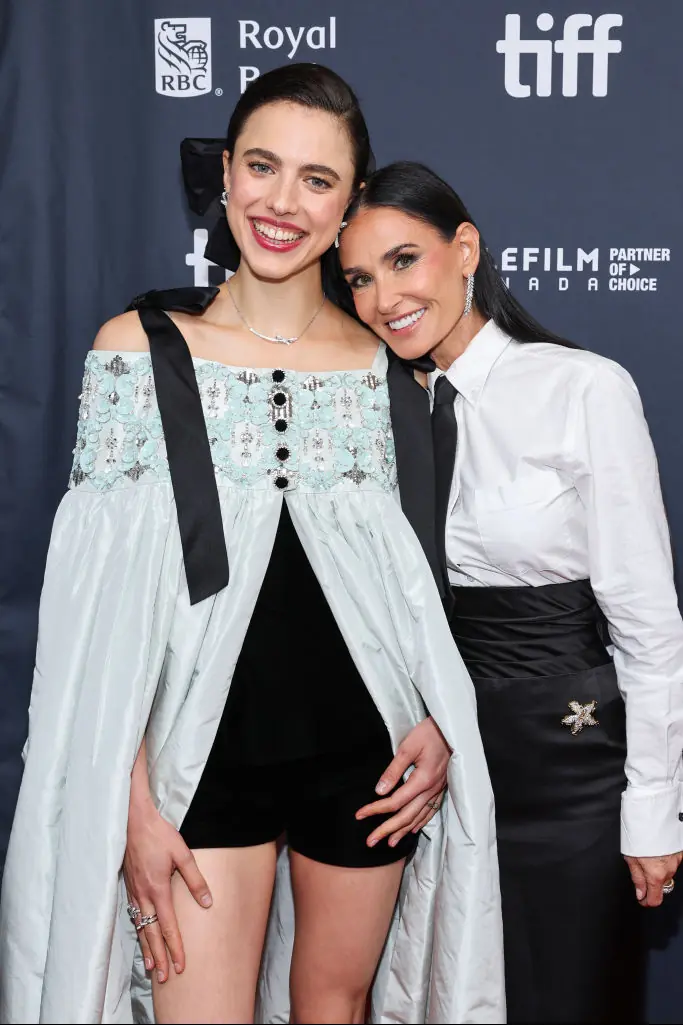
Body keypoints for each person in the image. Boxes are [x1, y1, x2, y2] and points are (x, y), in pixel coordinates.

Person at [0, 72, 504, 1024]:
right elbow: (92, 616)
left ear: (349, 203)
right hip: (200, 760)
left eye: (317, 180)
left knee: (335, 1008)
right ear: (223, 175)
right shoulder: (139, 347)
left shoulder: (383, 366)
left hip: (367, 759)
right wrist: (130, 800)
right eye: (263, 166)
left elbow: (419, 582)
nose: (282, 202)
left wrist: (437, 720)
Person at [338, 160, 683, 1025]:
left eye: (404, 260)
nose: (383, 297)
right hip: (423, 769)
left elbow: (646, 624)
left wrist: (651, 809)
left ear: (464, 251)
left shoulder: (580, 388)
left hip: (564, 768)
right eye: (358, 278)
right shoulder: (365, 414)